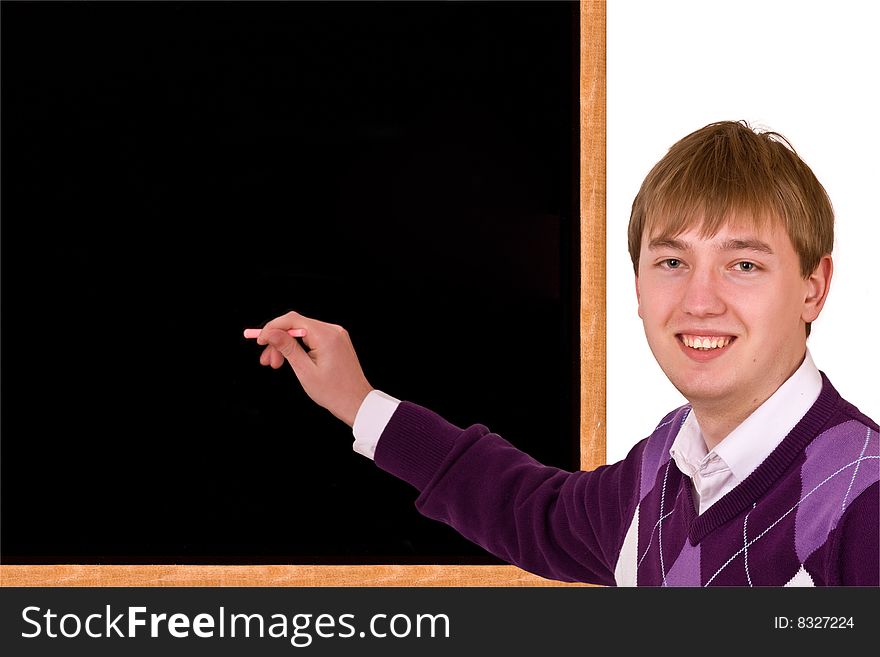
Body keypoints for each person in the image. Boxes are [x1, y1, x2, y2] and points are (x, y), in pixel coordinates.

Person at [251, 121, 878, 586]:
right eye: (672, 262)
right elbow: (532, 510)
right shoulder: (664, 465)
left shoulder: (864, 497)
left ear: (813, 287)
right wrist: (360, 405)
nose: (700, 300)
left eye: (743, 264)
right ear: (636, 287)